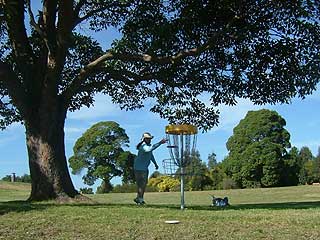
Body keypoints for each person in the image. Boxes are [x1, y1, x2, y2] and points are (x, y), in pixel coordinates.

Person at [133, 132, 167, 205]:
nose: (150, 140)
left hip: (144, 168)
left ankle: (139, 199)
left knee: (143, 184)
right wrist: (160, 143)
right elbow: (149, 150)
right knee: (141, 185)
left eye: (150, 139)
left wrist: (155, 164)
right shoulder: (143, 146)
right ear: (144, 139)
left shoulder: (148, 146)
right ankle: (140, 199)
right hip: (139, 168)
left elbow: (151, 156)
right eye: (148, 139)